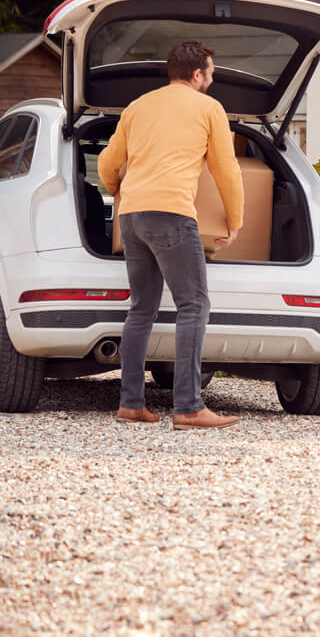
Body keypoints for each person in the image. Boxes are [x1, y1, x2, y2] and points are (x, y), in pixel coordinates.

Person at [98, 41, 244, 430]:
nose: (211, 79)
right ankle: (189, 407)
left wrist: (117, 189)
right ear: (197, 74)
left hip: (130, 215)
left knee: (141, 308)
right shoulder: (208, 109)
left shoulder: (138, 106)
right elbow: (225, 168)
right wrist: (236, 220)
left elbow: (108, 162)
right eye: (210, 73)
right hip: (172, 215)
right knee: (194, 305)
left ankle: (131, 403)